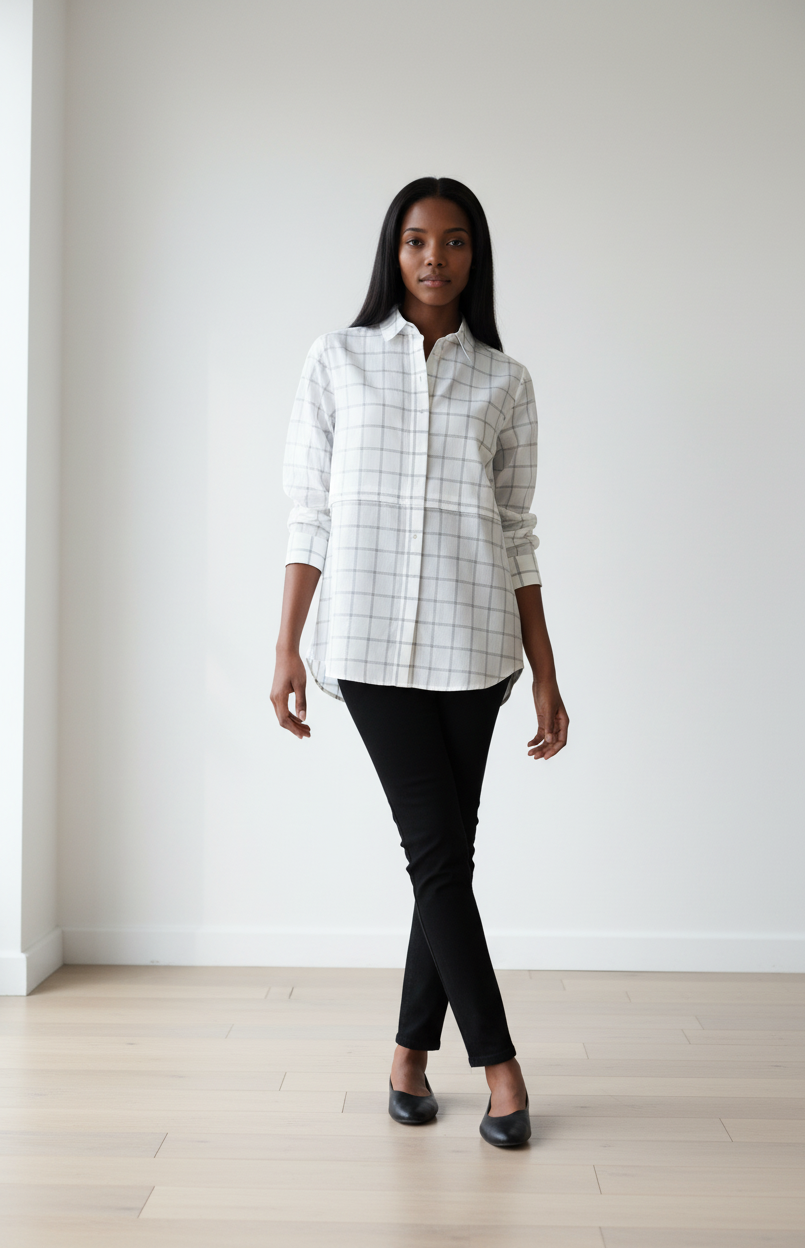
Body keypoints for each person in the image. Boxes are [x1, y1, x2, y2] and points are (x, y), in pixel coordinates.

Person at [271, 177, 568, 1148]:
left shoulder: (505, 381)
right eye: (414, 240)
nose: (433, 257)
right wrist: (286, 644)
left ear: (475, 256)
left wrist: (546, 670)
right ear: (392, 252)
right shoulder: (337, 360)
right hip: (364, 645)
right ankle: (501, 1069)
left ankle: (407, 1057)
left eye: (452, 241)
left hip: (474, 647)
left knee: (446, 860)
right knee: (437, 857)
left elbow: (517, 534)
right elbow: (309, 513)